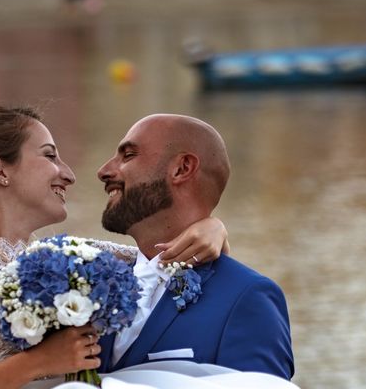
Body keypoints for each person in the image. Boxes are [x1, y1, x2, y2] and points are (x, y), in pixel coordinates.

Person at [0, 105, 228, 388]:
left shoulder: (68, 257)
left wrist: (212, 227)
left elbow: (159, 261)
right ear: (0, 170)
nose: (68, 174)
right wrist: (36, 363)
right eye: (50, 156)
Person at [96, 114, 294, 379]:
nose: (104, 171)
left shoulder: (246, 297)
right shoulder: (86, 282)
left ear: (182, 168)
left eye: (128, 155)